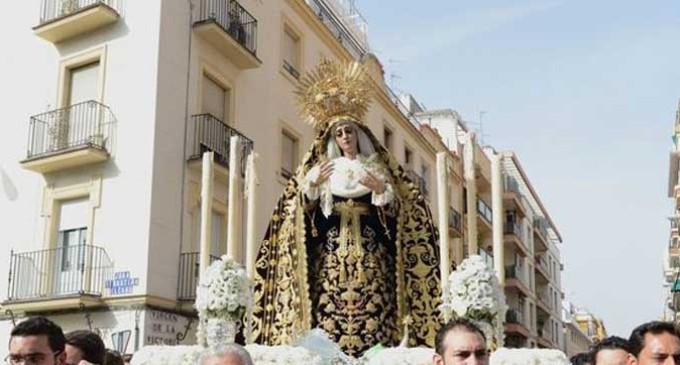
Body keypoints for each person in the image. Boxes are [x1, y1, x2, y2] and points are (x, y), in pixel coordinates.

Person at [252, 59, 442, 357]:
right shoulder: (322, 168)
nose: (345, 138)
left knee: (376, 325)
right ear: (332, 138)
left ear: (358, 134)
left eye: (349, 132)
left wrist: (381, 191)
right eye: (339, 134)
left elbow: (403, 218)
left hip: (372, 263)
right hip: (329, 265)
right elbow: (297, 220)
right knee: (326, 333)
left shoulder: (377, 168)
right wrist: (310, 186)